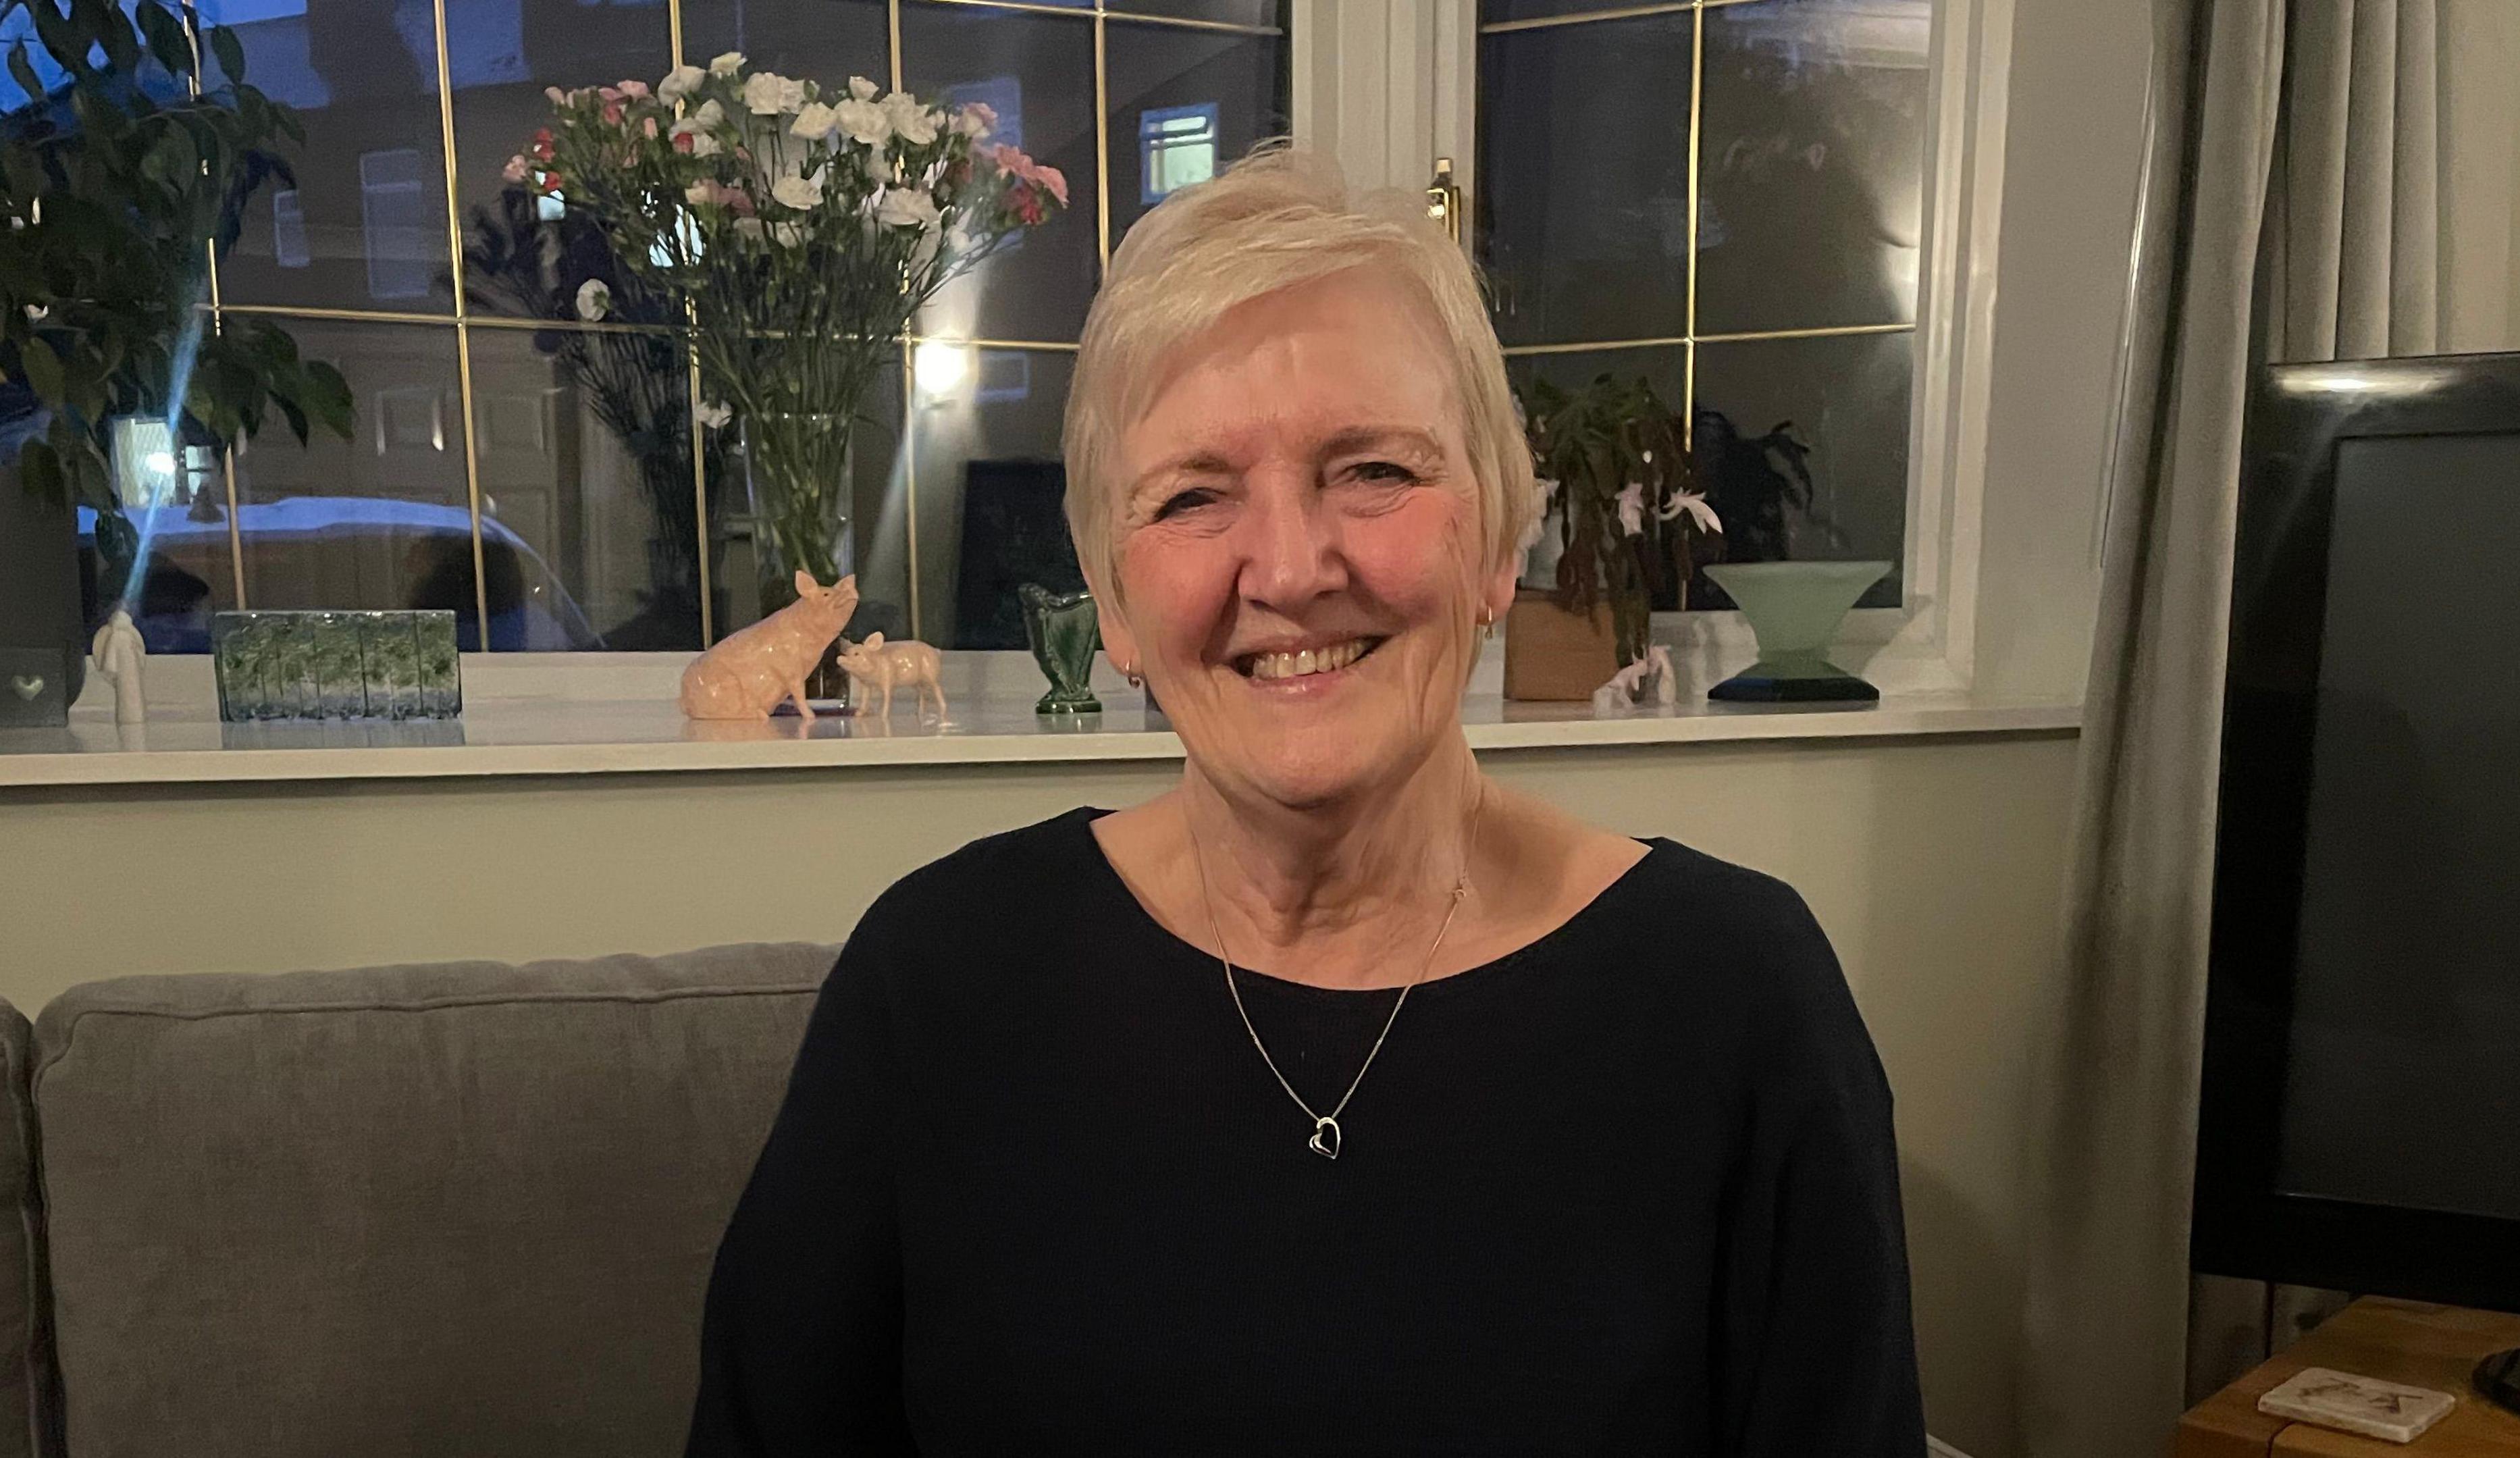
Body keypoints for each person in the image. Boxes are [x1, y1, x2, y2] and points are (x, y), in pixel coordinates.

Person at [685, 147, 1924, 1456]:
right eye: (1193, 496)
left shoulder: (1737, 1004)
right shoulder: (937, 985)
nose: (1287, 564)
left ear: (1500, 541)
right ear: (1111, 601)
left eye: (1373, 471)